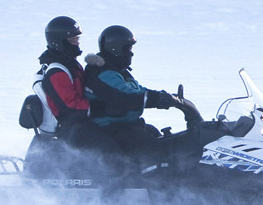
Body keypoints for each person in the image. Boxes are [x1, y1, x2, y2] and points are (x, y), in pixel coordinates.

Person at [82, 25, 192, 156]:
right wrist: (156, 99)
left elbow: (137, 89)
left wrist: (163, 96)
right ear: (116, 48)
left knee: (160, 137)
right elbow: (126, 97)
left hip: (124, 124)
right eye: (128, 49)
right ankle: (151, 170)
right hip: (109, 126)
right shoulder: (103, 73)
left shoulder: (118, 70)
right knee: (152, 149)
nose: (131, 53)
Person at [33, 15, 91, 140]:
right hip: (69, 130)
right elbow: (70, 107)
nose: (77, 43)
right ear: (59, 41)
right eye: (72, 40)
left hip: (79, 123)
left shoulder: (71, 64)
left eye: (77, 38)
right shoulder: (57, 72)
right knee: (112, 148)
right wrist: (97, 108)